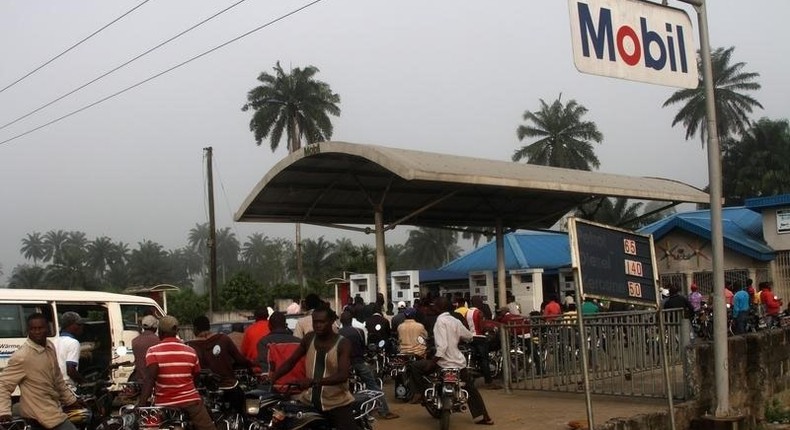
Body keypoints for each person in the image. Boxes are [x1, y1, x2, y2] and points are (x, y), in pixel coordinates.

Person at [267, 306, 360, 430]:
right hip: (309, 400)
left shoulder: (343, 344)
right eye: (315, 322)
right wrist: (273, 377)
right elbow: (291, 362)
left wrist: (313, 382)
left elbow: (343, 375)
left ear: (332, 321)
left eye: (322, 322)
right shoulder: (309, 338)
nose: (318, 325)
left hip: (336, 403)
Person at [407, 297, 494, 425]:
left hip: (442, 363)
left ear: (439, 308)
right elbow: (469, 336)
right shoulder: (455, 321)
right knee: (471, 389)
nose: (433, 307)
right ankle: (483, 417)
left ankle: (420, 394)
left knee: (414, 366)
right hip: (458, 363)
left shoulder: (440, 321)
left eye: (435, 305)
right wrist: (461, 339)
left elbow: (442, 347)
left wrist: (433, 361)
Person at [0, 313, 83, 430]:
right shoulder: (22, 356)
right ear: (28, 331)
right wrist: (4, 412)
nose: (37, 332)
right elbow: (3, 384)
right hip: (40, 413)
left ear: (48, 329)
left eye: (40, 328)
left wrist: (72, 401)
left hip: (52, 405)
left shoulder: (49, 347)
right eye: (33, 329)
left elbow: (58, 379)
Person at [137, 316, 214, 430]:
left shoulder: (153, 351)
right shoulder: (190, 351)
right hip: (190, 402)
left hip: (165, 404)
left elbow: (150, 380)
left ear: (160, 332)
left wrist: (141, 405)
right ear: (176, 332)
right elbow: (196, 377)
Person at [338, 311, 398, 420]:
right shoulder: (359, 331)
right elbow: (363, 346)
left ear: (341, 321)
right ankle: (384, 411)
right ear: (351, 321)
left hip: (343, 366)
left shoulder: (337, 334)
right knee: (373, 385)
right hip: (359, 362)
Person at [188, 316, 254, 413]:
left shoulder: (191, 346)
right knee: (244, 410)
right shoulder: (223, 339)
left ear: (195, 329)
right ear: (209, 327)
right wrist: (253, 364)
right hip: (229, 386)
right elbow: (240, 360)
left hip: (205, 391)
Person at [464, 297, 499, 389]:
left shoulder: (467, 312)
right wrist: (491, 329)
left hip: (470, 338)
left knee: (476, 356)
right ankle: (488, 381)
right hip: (480, 338)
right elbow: (482, 327)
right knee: (484, 359)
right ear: (478, 303)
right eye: (480, 302)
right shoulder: (479, 313)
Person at [53, 311, 87, 386]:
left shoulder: (55, 340)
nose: (81, 327)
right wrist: (84, 382)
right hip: (67, 385)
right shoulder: (73, 343)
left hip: (55, 384)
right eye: (78, 324)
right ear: (70, 326)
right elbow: (70, 370)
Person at [131, 315, 160, 386]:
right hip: (154, 381)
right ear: (155, 327)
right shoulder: (158, 341)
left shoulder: (135, 341)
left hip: (139, 379)